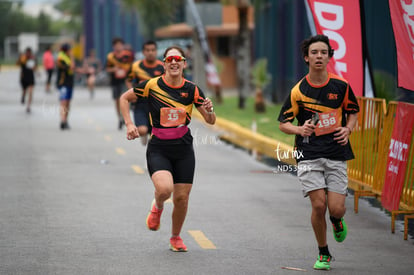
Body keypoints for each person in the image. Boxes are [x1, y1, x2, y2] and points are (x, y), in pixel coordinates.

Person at [120, 46, 215, 252]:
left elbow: (210, 120)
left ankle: (175, 237)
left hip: (183, 148)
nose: (174, 62)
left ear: (183, 63)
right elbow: (124, 98)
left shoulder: (192, 89)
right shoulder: (151, 85)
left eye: (177, 59)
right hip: (159, 147)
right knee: (165, 189)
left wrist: (210, 111)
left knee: (181, 197)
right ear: (164, 64)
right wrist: (129, 124)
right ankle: (158, 205)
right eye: (169, 59)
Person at [278, 34, 359, 271]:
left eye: (323, 52)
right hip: (308, 152)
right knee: (318, 205)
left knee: (336, 208)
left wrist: (348, 128)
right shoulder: (298, 90)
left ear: (329, 56)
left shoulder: (341, 86)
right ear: (306, 57)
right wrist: (300, 128)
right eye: (314, 52)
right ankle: (323, 252)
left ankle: (336, 220)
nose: (319, 56)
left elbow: (353, 111)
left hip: (336, 151)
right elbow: (283, 123)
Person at [126, 40, 164, 145]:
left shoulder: (163, 67)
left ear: (156, 51)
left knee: (156, 135)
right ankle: (145, 132)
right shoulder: (135, 66)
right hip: (140, 103)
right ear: (143, 52)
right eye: (147, 50)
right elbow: (128, 80)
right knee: (142, 130)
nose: (150, 52)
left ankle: (150, 136)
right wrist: (132, 93)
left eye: (153, 50)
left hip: (157, 104)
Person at [106, 37, 133, 129]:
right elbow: (107, 69)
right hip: (115, 81)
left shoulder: (128, 55)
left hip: (125, 81)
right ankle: (119, 118)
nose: (118, 47)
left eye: (120, 45)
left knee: (125, 99)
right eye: (116, 45)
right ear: (113, 46)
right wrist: (114, 69)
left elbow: (133, 66)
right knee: (117, 100)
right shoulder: (111, 57)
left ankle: (125, 117)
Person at [56, 43, 75, 130]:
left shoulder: (66, 57)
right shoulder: (61, 57)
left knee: (67, 103)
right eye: (69, 50)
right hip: (63, 83)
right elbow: (71, 67)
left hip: (69, 82)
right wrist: (71, 57)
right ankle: (63, 120)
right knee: (63, 102)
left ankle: (65, 120)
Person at [17, 47, 37, 113]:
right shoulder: (23, 58)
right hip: (24, 77)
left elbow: (35, 67)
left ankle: (28, 106)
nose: (28, 54)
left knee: (31, 92)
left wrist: (35, 69)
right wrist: (20, 58)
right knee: (24, 90)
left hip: (31, 77)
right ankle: (23, 96)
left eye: (29, 53)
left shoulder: (33, 58)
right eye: (27, 53)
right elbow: (17, 64)